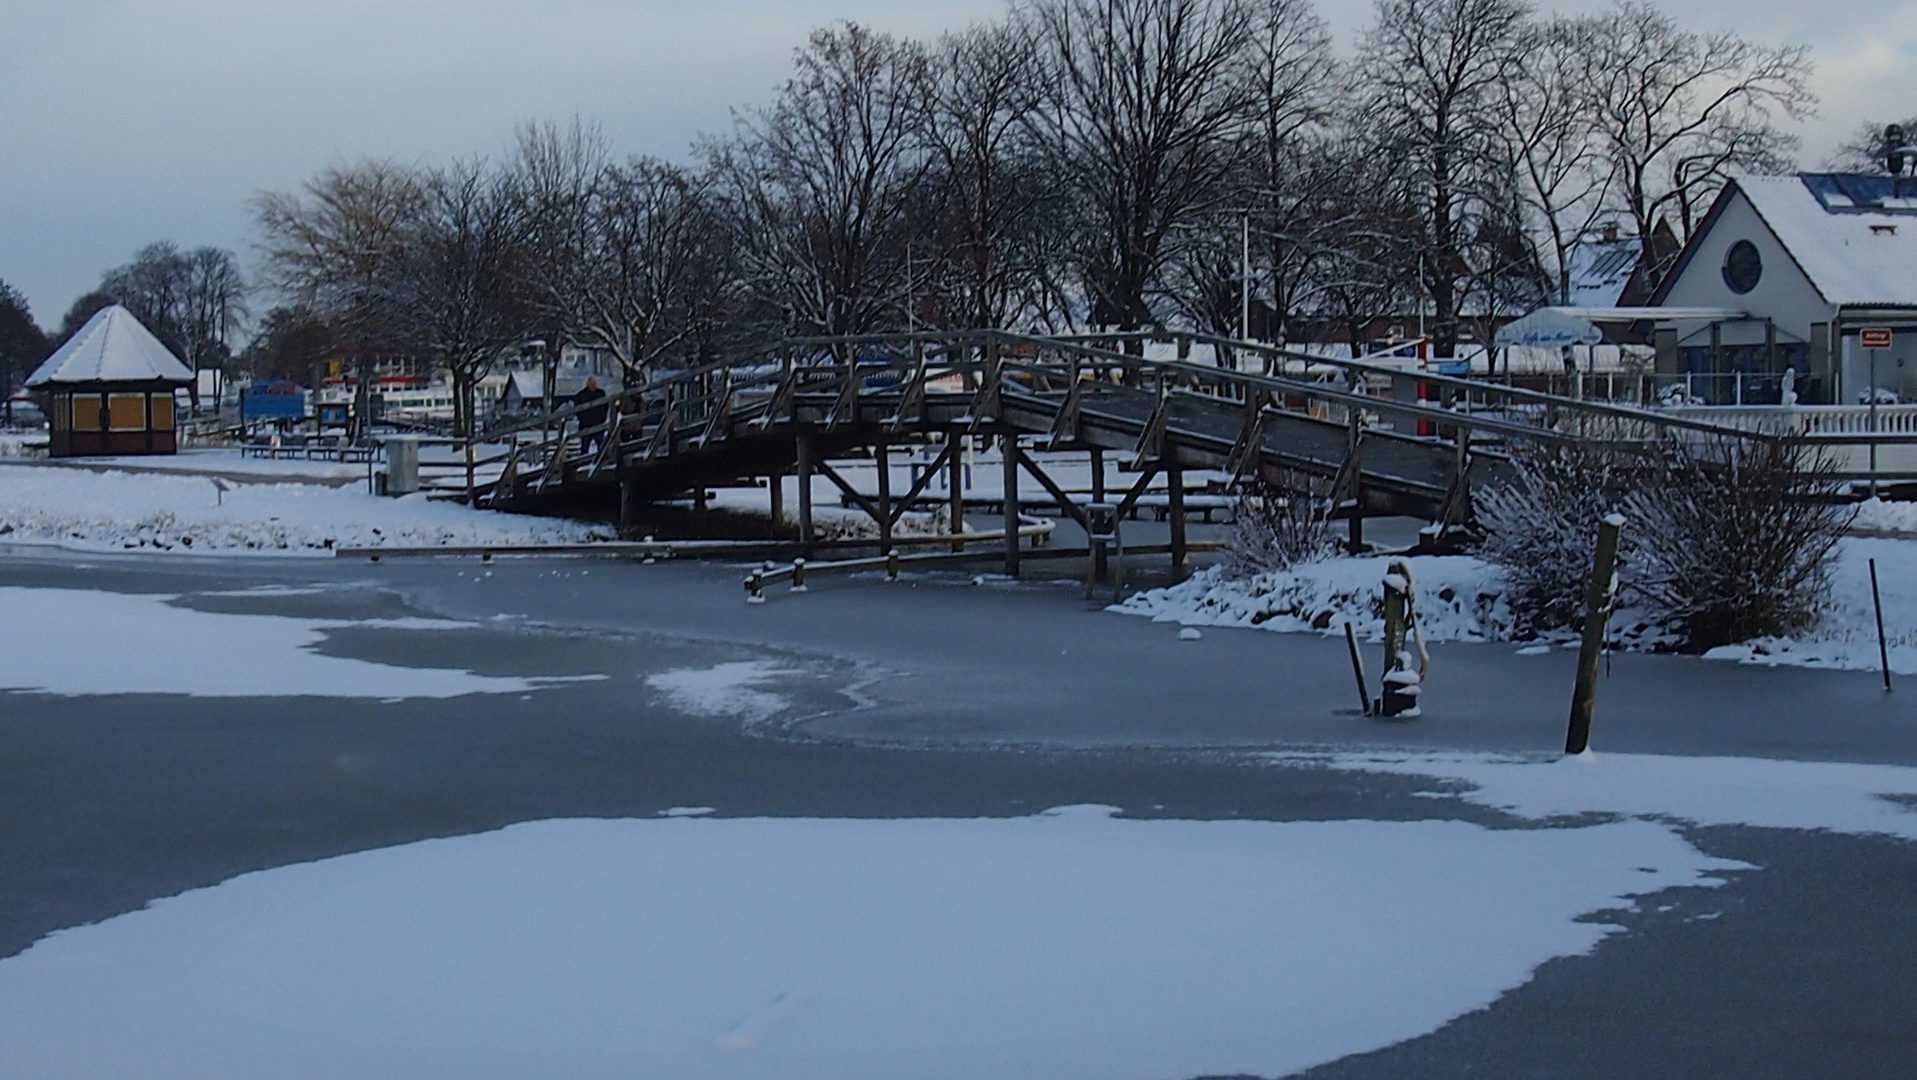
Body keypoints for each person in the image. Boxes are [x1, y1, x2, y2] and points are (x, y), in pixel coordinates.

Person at [571, 376, 610, 457]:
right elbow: (578, 410)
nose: (594, 386)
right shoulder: (581, 396)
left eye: (594, 384)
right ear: (587, 384)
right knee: (585, 446)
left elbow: (605, 407)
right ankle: (582, 462)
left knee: (601, 445)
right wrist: (584, 420)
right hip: (586, 425)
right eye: (592, 384)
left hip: (598, 423)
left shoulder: (601, 394)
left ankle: (602, 459)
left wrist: (602, 419)